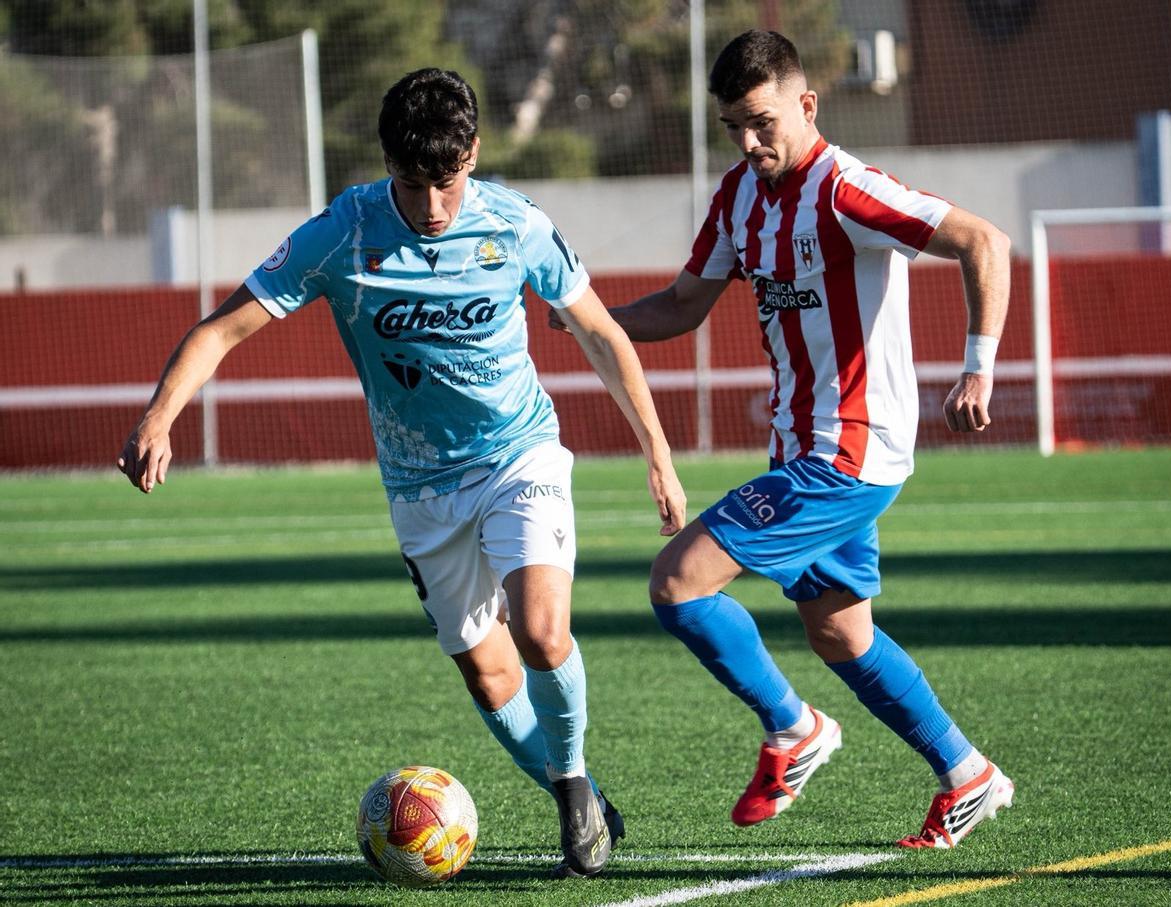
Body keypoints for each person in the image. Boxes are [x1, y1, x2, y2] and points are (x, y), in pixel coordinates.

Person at [117, 67, 687, 878]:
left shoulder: (516, 225)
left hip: (519, 453)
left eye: (447, 182)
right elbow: (220, 330)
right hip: (421, 489)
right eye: (414, 184)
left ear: (473, 155)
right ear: (387, 164)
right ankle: (581, 791)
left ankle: (569, 789)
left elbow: (600, 333)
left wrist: (656, 451)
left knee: (540, 631)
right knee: (489, 675)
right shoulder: (342, 234)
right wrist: (159, 414)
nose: (432, 206)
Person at [552, 30, 1013, 849]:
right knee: (840, 631)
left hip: (849, 453)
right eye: (733, 126)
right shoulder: (739, 196)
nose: (748, 141)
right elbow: (683, 305)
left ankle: (795, 727)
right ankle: (967, 771)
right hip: (800, 450)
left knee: (678, 583)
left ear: (806, 104)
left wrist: (978, 368)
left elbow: (985, 241)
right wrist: (596, 322)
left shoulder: (846, 189)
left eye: (762, 122)